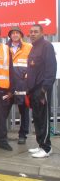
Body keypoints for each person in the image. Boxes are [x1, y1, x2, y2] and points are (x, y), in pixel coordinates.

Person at [27, 24, 57, 158]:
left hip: (42, 89)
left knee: (43, 119)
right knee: (37, 118)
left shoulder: (47, 46)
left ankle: (46, 147)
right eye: (31, 32)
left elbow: (51, 70)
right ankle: (40, 144)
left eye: (35, 31)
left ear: (42, 32)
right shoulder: (33, 47)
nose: (32, 34)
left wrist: (44, 89)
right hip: (34, 89)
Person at [7, 27, 32, 145]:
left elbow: (33, 63)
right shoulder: (5, 48)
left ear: (21, 35)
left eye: (17, 33)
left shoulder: (29, 47)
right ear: (10, 36)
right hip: (8, 85)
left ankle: (23, 135)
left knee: (24, 111)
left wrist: (28, 75)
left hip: (22, 84)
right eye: (13, 33)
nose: (15, 35)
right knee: (4, 110)